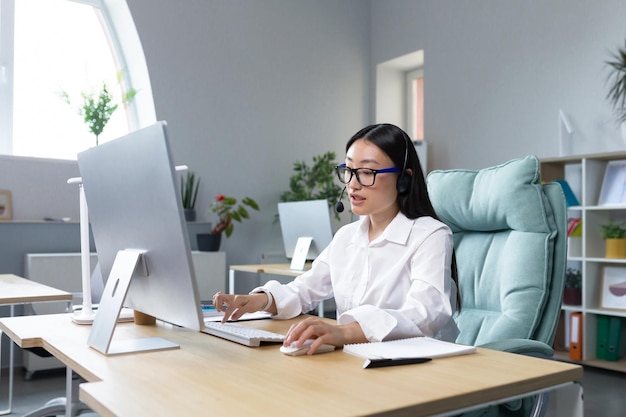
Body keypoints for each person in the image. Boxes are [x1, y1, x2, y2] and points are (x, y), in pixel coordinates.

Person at [213, 123, 460, 354]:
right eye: (349, 170)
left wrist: (345, 331)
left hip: (417, 362)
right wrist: (256, 300)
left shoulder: (430, 235)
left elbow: (427, 312)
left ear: (404, 178)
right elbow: (303, 290)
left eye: (366, 172)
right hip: (358, 357)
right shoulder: (347, 236)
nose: (352, 184)